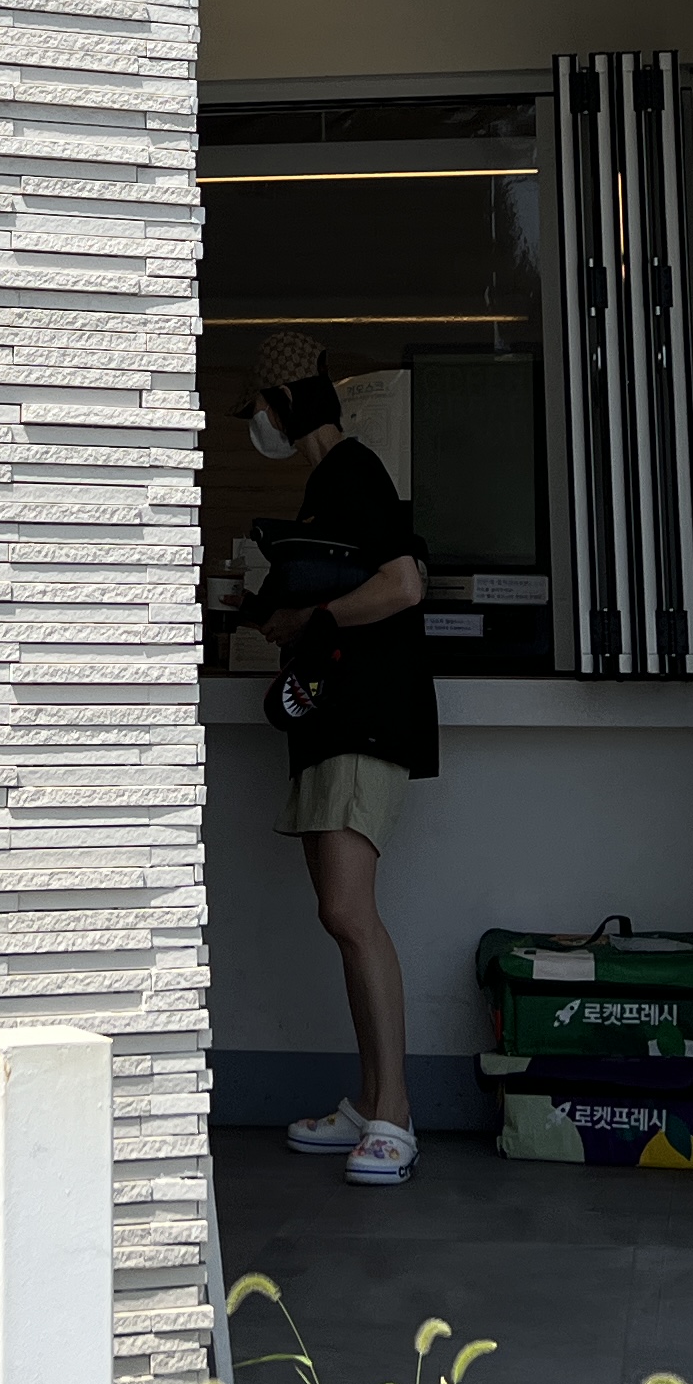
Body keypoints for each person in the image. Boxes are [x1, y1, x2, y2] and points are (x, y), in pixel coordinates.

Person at [250, 369, 435, 1186]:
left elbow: (403, 584)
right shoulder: (328, 485)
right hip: (331, 720)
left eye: (259, 408)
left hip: (365, 717)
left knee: (349, 912)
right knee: (342, 917)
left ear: (284, 405)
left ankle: (395, 1113)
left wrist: (311, 618)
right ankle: (369, 1104)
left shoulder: (355, 471)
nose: (256, 425)